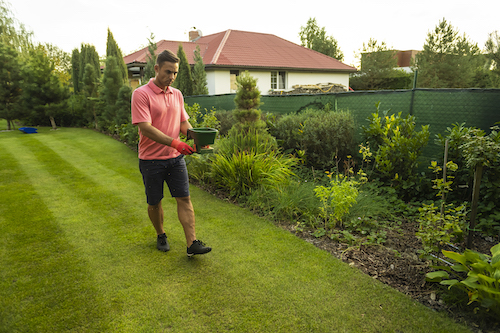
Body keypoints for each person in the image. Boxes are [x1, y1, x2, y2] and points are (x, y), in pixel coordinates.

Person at [131, 49, 211, 257]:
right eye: (168, 72)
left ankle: (192, 243)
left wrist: (198, 140)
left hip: (175, 160)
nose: (172, 77)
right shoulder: (141, 94)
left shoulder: (177, 94)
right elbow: (145, 127)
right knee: (154, 202)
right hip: (151, 160)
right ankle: (161, 234)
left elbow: (183, 123)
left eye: (175, 73)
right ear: (156, 68)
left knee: (184, 198)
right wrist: (176, 143)